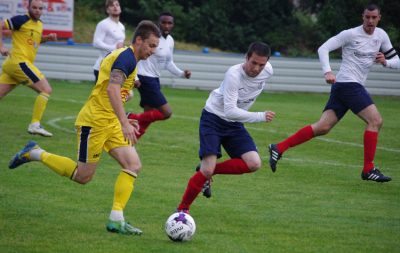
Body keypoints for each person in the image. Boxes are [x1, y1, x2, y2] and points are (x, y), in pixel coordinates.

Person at [8, 20, 161, 235]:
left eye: (156, 46)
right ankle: (34, 153)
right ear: (139, 41)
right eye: (151, 45)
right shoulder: (126, 57)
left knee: (133, 165)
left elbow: (113, 86)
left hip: (110, 122)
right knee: (83, 176)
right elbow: (112, 89)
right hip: (94, 123)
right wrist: (125, 122)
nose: (153, 51)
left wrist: (122, 117)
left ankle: (116, 220)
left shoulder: (130, 58)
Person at [268, 4, 399, 183]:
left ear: (379, 18)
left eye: (373, 18)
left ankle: (279, 147)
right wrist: (327, 71)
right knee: (375, 121)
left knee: (322, 127)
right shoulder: (350, 34)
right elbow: (323, 48)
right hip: (348, 85)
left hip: (343, 87)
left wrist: (386, 62)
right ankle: (368, 169)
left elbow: (396, 60)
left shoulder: (381, 35)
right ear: (362, 17)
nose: (370, 21)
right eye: (367, 17)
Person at [176, 42, 275, 213]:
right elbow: (230, 111)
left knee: (254, 163)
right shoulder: (234, 75)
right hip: (213, 118)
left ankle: (208, 172)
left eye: (262, 64)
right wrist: (260, 116)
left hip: (234, 124)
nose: (257, 68)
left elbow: (233, 116)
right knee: (207, 168)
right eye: (253, 63)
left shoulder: (268, 71)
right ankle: (182, 210)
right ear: (246, 57)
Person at [127, 12, 191, 139]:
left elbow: (168, 63)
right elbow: (135, 55)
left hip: (155, 79)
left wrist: (182, 74)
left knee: (148, 114)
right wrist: (135, 77)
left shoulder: (170, 41)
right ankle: (130, 117)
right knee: (166, 112)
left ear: (173, 25)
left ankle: (132, 140)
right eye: (163, 22)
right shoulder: (151, 38)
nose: (166, 25)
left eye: (169, 23)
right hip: (144, 78)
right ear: (158, 23)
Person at [0, 0, 57, 137]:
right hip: (19, 62)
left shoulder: (39, 24)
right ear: (28, 7)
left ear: (43, 9)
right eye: (34, 7)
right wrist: (1, 47)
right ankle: (35, 125)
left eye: (40, 8)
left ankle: (35, 125)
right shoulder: (21, 19)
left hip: (13, 65)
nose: (37, 10)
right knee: (46, 89)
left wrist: (47, 38)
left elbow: (34, 41)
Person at [92, 0, 126, 82]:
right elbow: (96, 43)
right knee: (103, 95)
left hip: (116, 67)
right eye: (112, 5)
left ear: (120, 8)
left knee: (121, 94)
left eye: (117, 5)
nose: (115, 7)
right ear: (107, 10)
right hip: (103, 67)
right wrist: (114, 47)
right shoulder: (103, 24)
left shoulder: (121, 26)